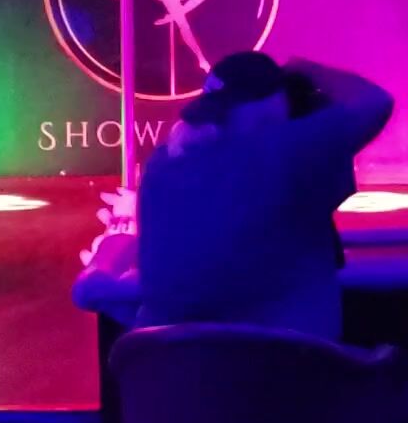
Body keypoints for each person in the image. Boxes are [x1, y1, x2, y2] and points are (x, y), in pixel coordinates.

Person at [135, 53, 393, 340]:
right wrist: (306, 68)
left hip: (173, 363)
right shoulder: (290, 152)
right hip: (291, 362)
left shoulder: (161, 165)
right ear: (275, 106)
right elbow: (375, 101)